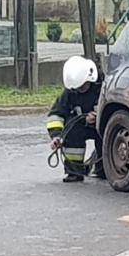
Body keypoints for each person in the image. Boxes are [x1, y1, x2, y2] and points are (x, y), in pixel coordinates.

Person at [46, 55, 105, 183]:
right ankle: (74, 171)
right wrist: (56, 136)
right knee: (71, 127)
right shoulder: (70, 92)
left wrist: (99, 117)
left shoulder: (104, 88)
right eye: (77, 87)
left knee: (107, 137)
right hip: (81, 126)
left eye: (82, 86)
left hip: (103, 126)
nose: (79, 89)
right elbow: (56, 115)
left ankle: (103, 168)